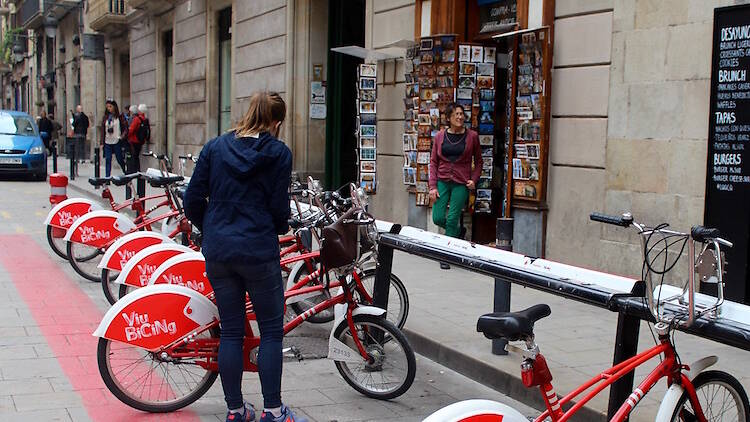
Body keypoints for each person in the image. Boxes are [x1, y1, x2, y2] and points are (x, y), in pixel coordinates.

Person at [183, 92, 304, 422]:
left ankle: (235, 410)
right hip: (257, 251)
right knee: (270, 332)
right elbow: (279, 208)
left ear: (249, 112)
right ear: (276, 122)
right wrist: (277, 225)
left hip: (220, 251)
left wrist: (210, 225)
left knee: (232, 332)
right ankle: (273, 410)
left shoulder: (215, 147)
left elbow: (192, 198)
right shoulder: (279, 153)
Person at [428, 102, 482, 270]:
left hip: (461, 183)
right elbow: (433, 162)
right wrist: (432, 186)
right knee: (437, 217)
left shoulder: (472, 136)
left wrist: (474, 179)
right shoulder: (440, 136)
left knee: (451, 218)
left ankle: (446, 254)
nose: (460, 117)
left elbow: (479, 161)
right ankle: (458, 232)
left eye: (461, 114)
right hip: (442, 182)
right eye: (456, 114)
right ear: (449, 118)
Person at [100, 99, 128, 177]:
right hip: (107, 141)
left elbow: (125, 128)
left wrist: (122, 137)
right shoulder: (105, 117)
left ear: (114, 107)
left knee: (119, 159)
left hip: (116, 140)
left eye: (110, 106)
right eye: (107, 107)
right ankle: (107, 177)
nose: (109, 108)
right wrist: (101, 142)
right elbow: (102, 130)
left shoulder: (120, 117)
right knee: (108, 159)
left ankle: (125, 170)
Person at [126, 104, 149, 173]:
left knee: (133, 156)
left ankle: (134, 170)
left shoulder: (137, 119)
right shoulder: (145, 119)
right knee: (136, 156)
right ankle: (137, 170)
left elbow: (131, 130)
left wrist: (126, 135)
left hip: (134, 140)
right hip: (141, 140)